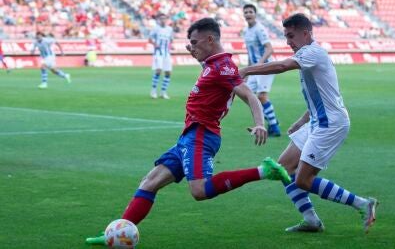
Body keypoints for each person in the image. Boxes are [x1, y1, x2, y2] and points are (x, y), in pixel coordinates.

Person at [85, 18, 291, 245]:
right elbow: (213, 79)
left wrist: (260, 123)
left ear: (210, 39)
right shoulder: (213, 65)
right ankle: (114, 234)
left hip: (202, 135)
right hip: (190, 136)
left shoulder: (223, 67)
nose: (192, 47)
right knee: (149, 182)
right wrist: (197, 55)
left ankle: (264, 171)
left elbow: (250, 95)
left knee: (199, 190)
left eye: (195, 42)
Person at [240, 13, 378, 233]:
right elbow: (323, 94)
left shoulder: (312, 52)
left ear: (306, 33)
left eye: (291, 36)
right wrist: (302, 120)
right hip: (317, 121)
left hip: (331, 124)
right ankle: (311, 220)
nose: (288, 41)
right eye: (286, 36)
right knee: (283, 168)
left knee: (303, 180)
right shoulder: (307, 54)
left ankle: (362, 203)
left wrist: (246, 70)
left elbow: (283, 66)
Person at [242, 4, 281, 137]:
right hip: (254, 69)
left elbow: (269, 48)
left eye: (250, 12)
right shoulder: (246, 31)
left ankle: (274, 127)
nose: (248, 14)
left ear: (255, 14)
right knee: (246, 94)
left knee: (262, 96)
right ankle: (271, 119)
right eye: (246, 12)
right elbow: (249, 53)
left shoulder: (260, 29)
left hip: (265, 67)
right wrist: (247, 71)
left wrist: (259, 64)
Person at [149, 14, 174, 99]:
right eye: (161, 19)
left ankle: (163, 92)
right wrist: (155, 44)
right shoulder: (156, 29)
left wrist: (171, 46)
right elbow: (149, 39)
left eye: (164, 19)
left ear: (167, 20)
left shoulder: (170, 29)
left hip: (167, 53)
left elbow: (171, 40)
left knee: (168, 72)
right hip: (158, 53)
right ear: (159, 20)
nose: (163, 20)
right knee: (158, 70)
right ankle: (153, 91)